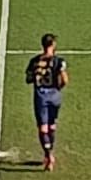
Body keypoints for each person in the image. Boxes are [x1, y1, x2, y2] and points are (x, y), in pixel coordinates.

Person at [24, 33, 69, 172]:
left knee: (43, 128)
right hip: (55, 96)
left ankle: (48, 155)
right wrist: (58, 89)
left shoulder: (34, 61)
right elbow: (65, 80)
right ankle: (50, 152)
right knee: (52, 126)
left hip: (41, 96)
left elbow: (28, 79)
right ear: (53, 45)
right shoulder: (59, 61)